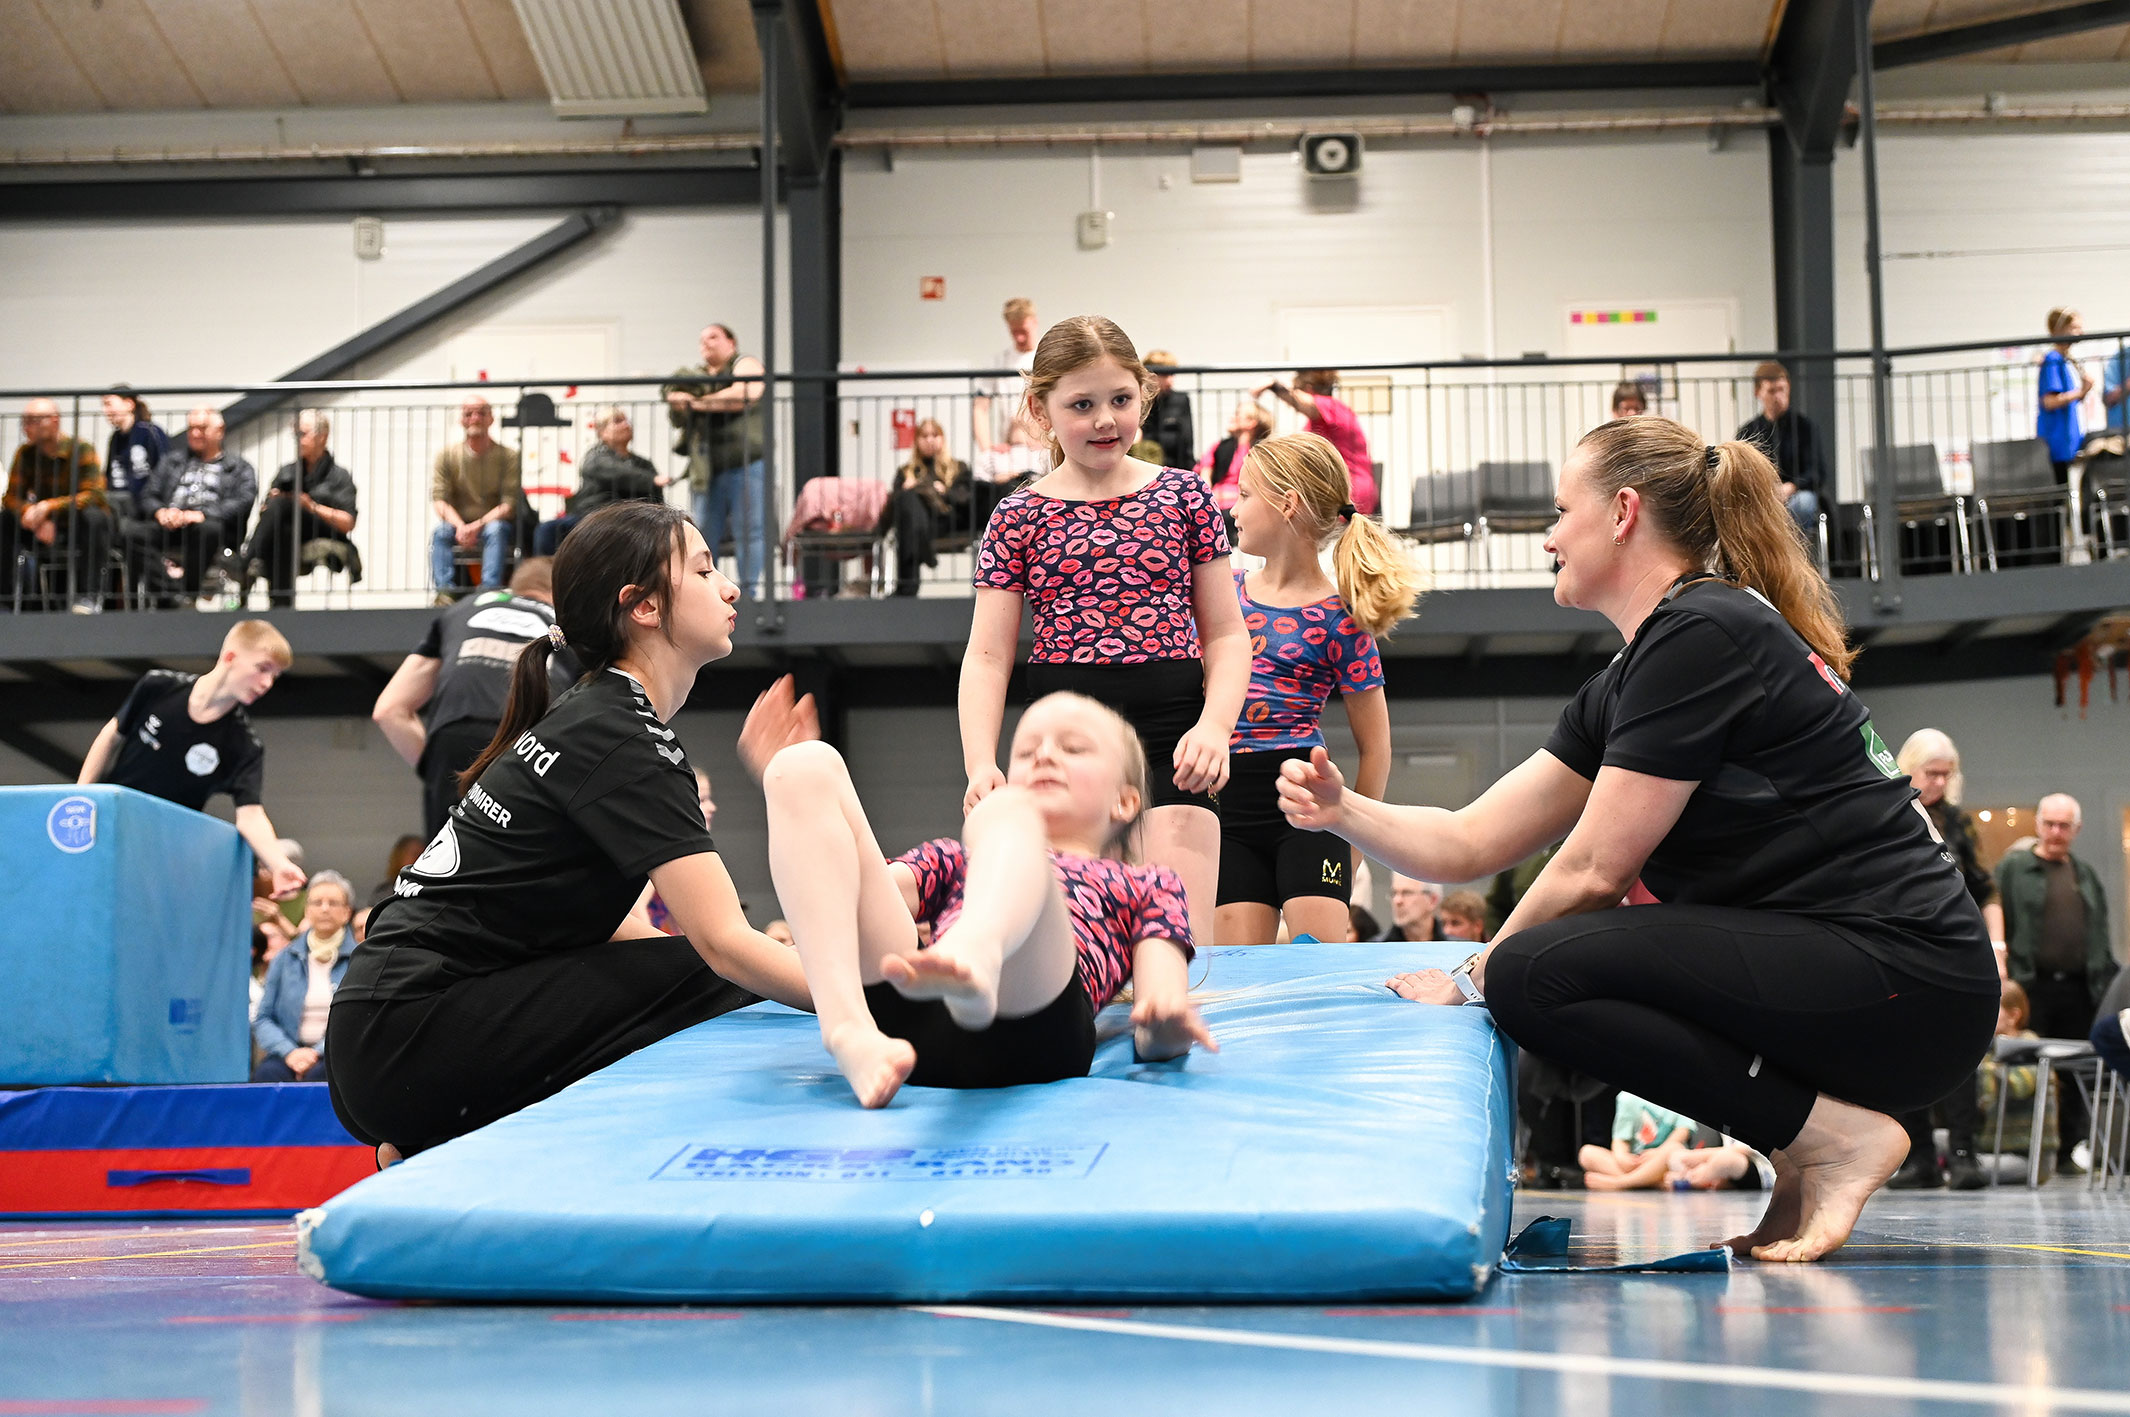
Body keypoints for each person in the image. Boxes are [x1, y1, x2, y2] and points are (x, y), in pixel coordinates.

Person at [1278, 415, 1999, 1262]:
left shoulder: (1705, 632)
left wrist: (1469, 978)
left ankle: (1832, 1140)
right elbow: (1470, 839)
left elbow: (1594, 869)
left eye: (1560, 512)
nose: (1548, 537)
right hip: (1868, 976)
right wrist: (1343, 811)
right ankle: (1803, 1154)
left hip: (1910, 981)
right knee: (1539, 962)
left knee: (1530, 972)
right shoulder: (1638, 670)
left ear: (1622, 513)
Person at [326, 502, 814, 1164]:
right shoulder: (621, 736)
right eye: (704, 571)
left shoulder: (596, 717)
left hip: (381, 1035)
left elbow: (620, 935)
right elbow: (725, 945)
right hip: (405, 1033)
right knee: (714, 974)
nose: (730, 588)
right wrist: (870, 1002)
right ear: (644, 606)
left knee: (681, 969)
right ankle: (442, 1132)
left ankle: (434, 1140)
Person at [763, 688, 1212, 1108]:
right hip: (912, 1025)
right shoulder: (957, 860)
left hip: (1033, 1030)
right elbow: (855, 891)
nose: (1044, 755)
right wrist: (807, 816)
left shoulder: (1147, 884)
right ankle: (847, 1028)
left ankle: (976, 953)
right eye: (1027, 751)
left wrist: (1166, 1028)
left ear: (1124, 802)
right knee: (803, 765)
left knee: (1008, 810)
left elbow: (1160, 1004)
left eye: (1073, 748)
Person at [962, 316, 1249, 950]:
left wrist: (1215, 727)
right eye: (1081, 405)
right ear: (1040, 410)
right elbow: (986, 655)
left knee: (1178, 948)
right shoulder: (1018, 514)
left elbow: (1227, 634)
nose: (1104, 421)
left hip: (1174, 737)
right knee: (1081, 950)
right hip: (1065, 739)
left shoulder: (1185, 496)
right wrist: (980, 761)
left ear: (1142, 396)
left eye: (1120, 400)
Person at [1216, 431, 1416, 947]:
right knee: (1240, 975)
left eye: (1245, 494)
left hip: (1305, 799)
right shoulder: (1223, 593)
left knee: (1312, 968)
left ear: (1287, 504)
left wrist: (1358, 836)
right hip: (1228, 805)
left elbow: (1377, 748)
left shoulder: (1341, 617)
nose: (1233, 508)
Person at [77, 620, 305, 900]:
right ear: (230, 657)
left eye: (275, 676)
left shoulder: (244, 745)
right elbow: (110, 736)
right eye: (262, 668)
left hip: (163, 855)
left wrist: (278, 864)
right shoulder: (158, 686)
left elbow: (251, 816)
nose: (267, 683)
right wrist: (79, 798)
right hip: (111, 827)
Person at [371, 557, 571, 840]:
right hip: (529, 744)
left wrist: (437, 770)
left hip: (455, 736)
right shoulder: (568, 626)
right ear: (559, 594)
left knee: (447, 858)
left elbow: (389, 710)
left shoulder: (462, 609)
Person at [1887, 727, 1999, 1190]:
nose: (1939, 782)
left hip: (1953, 949)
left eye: (1946, 775)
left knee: (1961, 1054)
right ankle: (1918, 1158)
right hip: (1902, 948)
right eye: (1931, 773)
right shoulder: (1888, 810)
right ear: (1909, 768)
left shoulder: (1957, 822)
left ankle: (1963, 1154)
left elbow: (1984, 889)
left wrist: (1997, 947)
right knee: (1904, 1053)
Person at [1996, 791, 2117, 1174]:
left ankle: (2067, 1151)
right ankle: (2026, 1151)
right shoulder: (2014, 869)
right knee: (2029, 1066)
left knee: (2075, 1068)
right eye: (2049, 823)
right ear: (2038, 824)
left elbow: (2099, 930)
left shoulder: (2085, 875)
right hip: (2032, 986)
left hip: (2080, 988)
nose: (2055, 832)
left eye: (2064, 825)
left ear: (2076, 829)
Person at [664, 324, 768, 598]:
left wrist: (697, 403)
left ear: (731, 343)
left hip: (746, 463)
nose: (706, 342)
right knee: (702, 533)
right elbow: (674, 398)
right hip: (706, 468)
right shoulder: (694, 375)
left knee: (750, 530)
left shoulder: (744, 363)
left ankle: (749, 592)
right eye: (702, 339)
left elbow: (745, 394)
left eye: (713, 336)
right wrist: (685, 399)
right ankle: (707, 592)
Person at [132, 406, 256, 610]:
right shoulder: (171, 462)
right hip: (171, 525)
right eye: (191, 428)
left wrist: (202, 514)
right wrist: (160, 511)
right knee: (132, 533)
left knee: (210, 529)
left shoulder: (238, 467)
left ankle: (188, 594)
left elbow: (244, 500)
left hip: (207, 530)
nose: (195, 434)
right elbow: (148, 495)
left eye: (202, 428)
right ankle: (171, 597)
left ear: (220, 431)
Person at [3, 397, 112, 613]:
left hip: (76, 525)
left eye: (33, 421)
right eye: (25, 421)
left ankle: (87, 597)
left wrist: (48, 507)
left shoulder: (81, 449)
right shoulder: (25, 453)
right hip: (42, 526)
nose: (26, 427)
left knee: (94, 516)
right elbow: (11, 498)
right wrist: (33, 516)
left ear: (54, 421)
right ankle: (4, 599)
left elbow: (94, 495)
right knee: (4, 519)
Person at [243, 409, 358, 609]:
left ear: (322, 436)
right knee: (284, 526)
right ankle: (282, 605)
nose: (298, 440)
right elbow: (266, 511)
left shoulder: (339, 476)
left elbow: (347, 522)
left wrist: (311, 506)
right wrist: (274, 502)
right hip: (289, 531)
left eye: (302, 434)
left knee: (285, 506)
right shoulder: (287, 472)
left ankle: (246, 562)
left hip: (322, 528)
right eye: (295, 435)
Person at [252, 870, 359, 1083]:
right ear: (307, 910)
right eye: (317, 902)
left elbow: (358, 1021)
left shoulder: (359, 960)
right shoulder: (284, 958)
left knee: (324, 1075)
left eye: (333, 903)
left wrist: (315, 1053)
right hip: (287, 1052)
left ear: (347, 912)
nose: (325, 909)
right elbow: (263, 1018)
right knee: (267, 1075)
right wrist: (290, 1052)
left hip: (336, 1054)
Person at [536, 406, 667, 556]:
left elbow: (656, 500)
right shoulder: (595, 457)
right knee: (547, 530)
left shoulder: (643, 464)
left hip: (631, 521)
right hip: (592, 517)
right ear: (603, 432)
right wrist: (651, 480)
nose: (626, 425)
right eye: (618, 421)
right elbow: (614, 471)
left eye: (626, 421)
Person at [1253, 371, 1377, 517]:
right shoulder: (1317, 422)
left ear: (1309, 389)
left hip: (1350, 490)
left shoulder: (1332, 407)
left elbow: (1303, 403)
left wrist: (1274, 385)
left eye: (1297, 390)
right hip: (1336, 488)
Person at [1736, 362, 1828, 540]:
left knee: (1803, 504)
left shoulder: (1804, 427)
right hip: (1762, 497)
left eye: (1781, 390)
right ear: (1758, 392)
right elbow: (1741, 473)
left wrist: (1790, 487)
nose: (1778, 396)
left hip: (1796, 494)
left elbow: (1817, 471)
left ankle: (1786, 549)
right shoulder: (1748, 431)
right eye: (1771, 391)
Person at [887, 418, 973, 597]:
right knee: (908, 500)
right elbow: (894, 505)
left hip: (947, 522)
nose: (929, 440)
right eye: (924, 436)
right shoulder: (906, 471)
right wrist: (907, 489)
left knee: (910, 524)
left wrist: (945, 493)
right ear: (917, 440)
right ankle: (922, 545)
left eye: (934, 435)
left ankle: (907, 586)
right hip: (917, 525)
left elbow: (966, 500)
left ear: (942, 438)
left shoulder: (959, 468)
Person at [1579, 1091, 1695, 1192]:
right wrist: (1622, 1157)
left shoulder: (1679, 1095)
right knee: (1587, 1153)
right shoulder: (1627, 1097)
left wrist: (1658, 1152)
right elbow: (1620, 1139)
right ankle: (1652, 1182)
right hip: (1637, 1162)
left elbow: (1683, 1130)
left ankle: (1620, 1183)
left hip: (1663, 1161)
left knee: (1674, 1147)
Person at [971, 297, 1042, 453]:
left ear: (1034, 322)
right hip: (1011, 447)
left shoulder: (1047, 358)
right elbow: (980, 407)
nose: (1019, 338)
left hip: (1043, 445)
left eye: (1023, 331)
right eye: (1014, 332)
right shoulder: (999, 362)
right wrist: (987, 448)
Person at [1194, 400, 1275, 528]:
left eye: (1237, 414)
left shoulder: (1261, 452)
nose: (1232, 417)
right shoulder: (1220, 446)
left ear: (1251, 422)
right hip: (1216, 504)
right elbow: (1205, 474)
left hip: (1244, 504)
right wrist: (1209, 497)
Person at [2038, 308, 2093, 485]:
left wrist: (2082, 392)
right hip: (2057, 438)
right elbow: (2050, 401)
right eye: (2075, 328)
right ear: (2061, 329)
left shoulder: (2064, 360)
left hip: (2068, 437)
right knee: (2060, 487)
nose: (2080, 332)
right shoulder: (2053, 359)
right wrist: (2081, 392)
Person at [101, 386, 169, 527]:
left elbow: (165, 467)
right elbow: (109, 474)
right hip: (117, 503)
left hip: (141, 504)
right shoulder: (115, 438)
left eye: (109, 404)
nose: (105, 411)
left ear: (129, 404)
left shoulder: (149, 432)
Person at [1143, 350, 1195, 471]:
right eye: (1165, 375)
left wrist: (1189, 471)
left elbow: (1187, 440)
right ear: (1150, 375)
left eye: (1172, 375)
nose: (1170, 380)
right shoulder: (1140, 401)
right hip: (1148, 465)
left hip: (1176, 466)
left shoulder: (1181, 400)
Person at [1373, 874, 1441, 943]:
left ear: (1432, 900)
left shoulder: (1448, 943)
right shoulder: (1377, 946)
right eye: (1394, 893)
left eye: (1406, 893)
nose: (1397, 901)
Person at [367, 834, 424, 910]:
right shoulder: (384, 893)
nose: (420, 859)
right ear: (399, 857)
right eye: (415, 854)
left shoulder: (430, 890)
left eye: (423, 855)